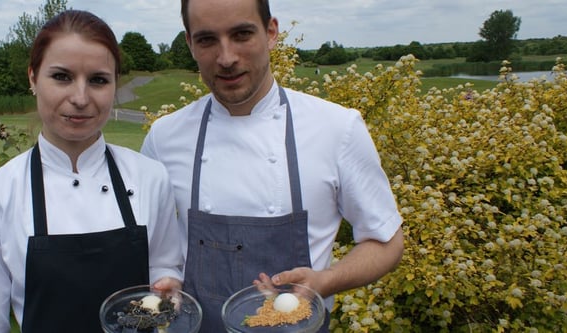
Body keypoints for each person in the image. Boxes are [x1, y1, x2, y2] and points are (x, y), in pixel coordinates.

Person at [140, 0, 405, 331]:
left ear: (271, 32)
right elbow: (154, 247)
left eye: (242, 34)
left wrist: (325, 281)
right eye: (207, 39)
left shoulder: (338, 128)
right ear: (190, 44)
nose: (226, 58)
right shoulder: (164, 137)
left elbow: (386, 242)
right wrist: (165, 278)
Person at [0, 10, 184, 332]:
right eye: (62, 76)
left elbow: (164, 264)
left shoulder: (150, 177)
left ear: (114, 86)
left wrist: (169, 284)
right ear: (33, 78)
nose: (80, 98)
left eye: (98, 80)